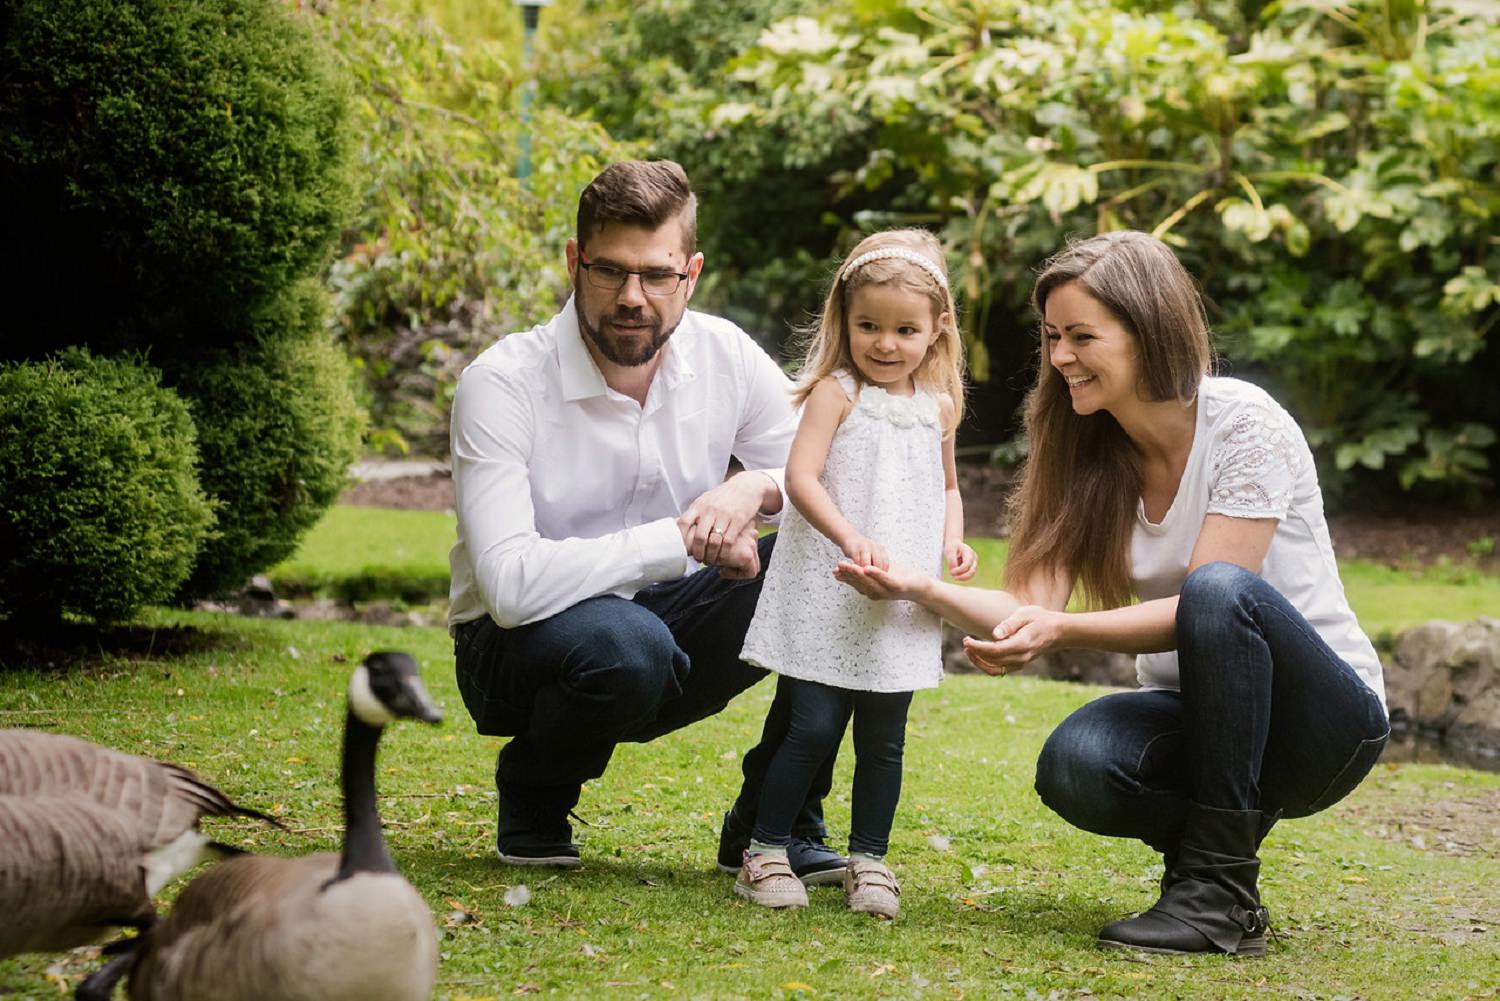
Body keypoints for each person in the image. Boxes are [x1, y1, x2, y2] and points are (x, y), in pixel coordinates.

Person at [835, 230, 1389, 953]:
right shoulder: (1084, 444)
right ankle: (1215, 888)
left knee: (1219, 589)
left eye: (1082, 336)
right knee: (1078, 762)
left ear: (1148, 333)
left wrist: (1064, 631)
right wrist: (918, 587)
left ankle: (1215, 892)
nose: (1061, 356)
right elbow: (1027, 606)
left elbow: (1208, 603)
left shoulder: (1246, 425)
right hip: (1204, 715)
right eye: (1054, 336)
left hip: (1324, 721)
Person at [448, 159, 841, 876]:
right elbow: (506, 586)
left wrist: (754, 487)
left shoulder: (722, 353)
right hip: (514, 652)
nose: (633, 297)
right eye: (610, 271)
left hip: (667, 629)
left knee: (836, 565)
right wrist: (681, 539)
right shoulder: (501, 383)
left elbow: (830, 472)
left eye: (657, 275)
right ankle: (534, 794)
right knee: (627, 642)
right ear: (575, 261)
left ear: (690, 272)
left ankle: (773, 823)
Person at [726, 229, 974, 918]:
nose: (885, 343)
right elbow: (801, 477)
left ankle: (869, 856)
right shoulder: (836, 393)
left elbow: (949, 488)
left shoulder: (939, 407)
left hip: (898, 597)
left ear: (937, 329)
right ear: (845, 320)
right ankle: (765, 848)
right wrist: (850, 535)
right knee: (811, 725)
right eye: (868, 325)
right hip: (828, 584)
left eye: (904, 329)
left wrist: (954, 542)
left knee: (884, 738)